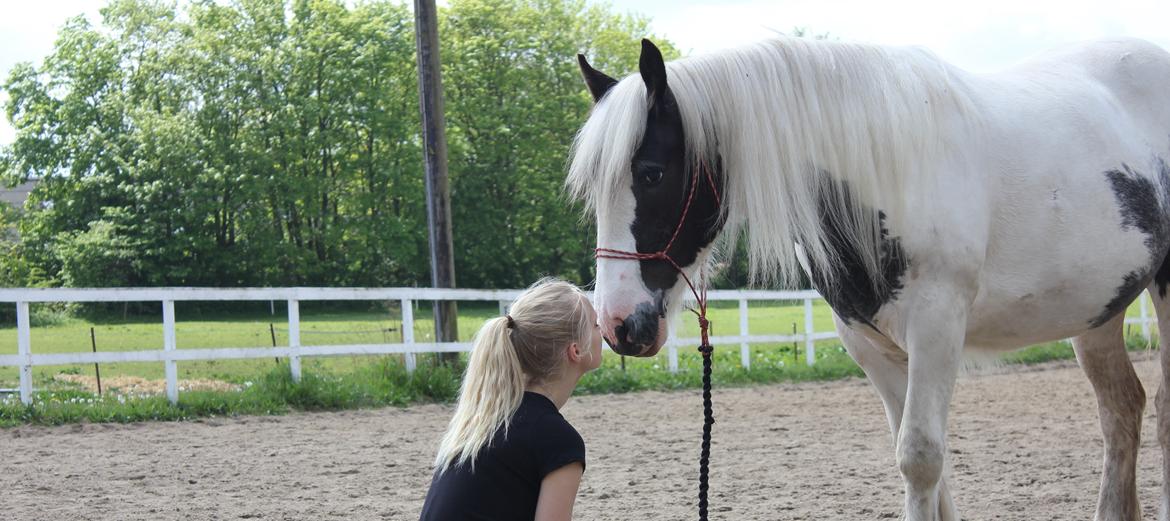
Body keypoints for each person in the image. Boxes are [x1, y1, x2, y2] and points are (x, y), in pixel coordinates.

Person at [419, 278, 603, 521]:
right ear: (576, 350)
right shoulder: (558, 439)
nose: (602, 330)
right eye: (596, 325)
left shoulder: (482, 422)